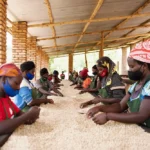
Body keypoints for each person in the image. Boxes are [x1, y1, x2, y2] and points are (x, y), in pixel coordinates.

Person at [86, 40, 150, 128]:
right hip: (139, 127)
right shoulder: (135, 85)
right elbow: (120, 106)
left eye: (132, 67)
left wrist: (108, 116)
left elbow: (142, 116)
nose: (129, 70)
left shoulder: (148, 87)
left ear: (144, 66)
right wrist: (99, 108)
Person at [0, 63, 40, 146]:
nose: (18, 88)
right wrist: (27, 116)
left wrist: (30, 117)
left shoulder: (6, 98)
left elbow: (18, 112)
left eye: (19, 84)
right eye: (16, 83)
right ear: (3, 79)